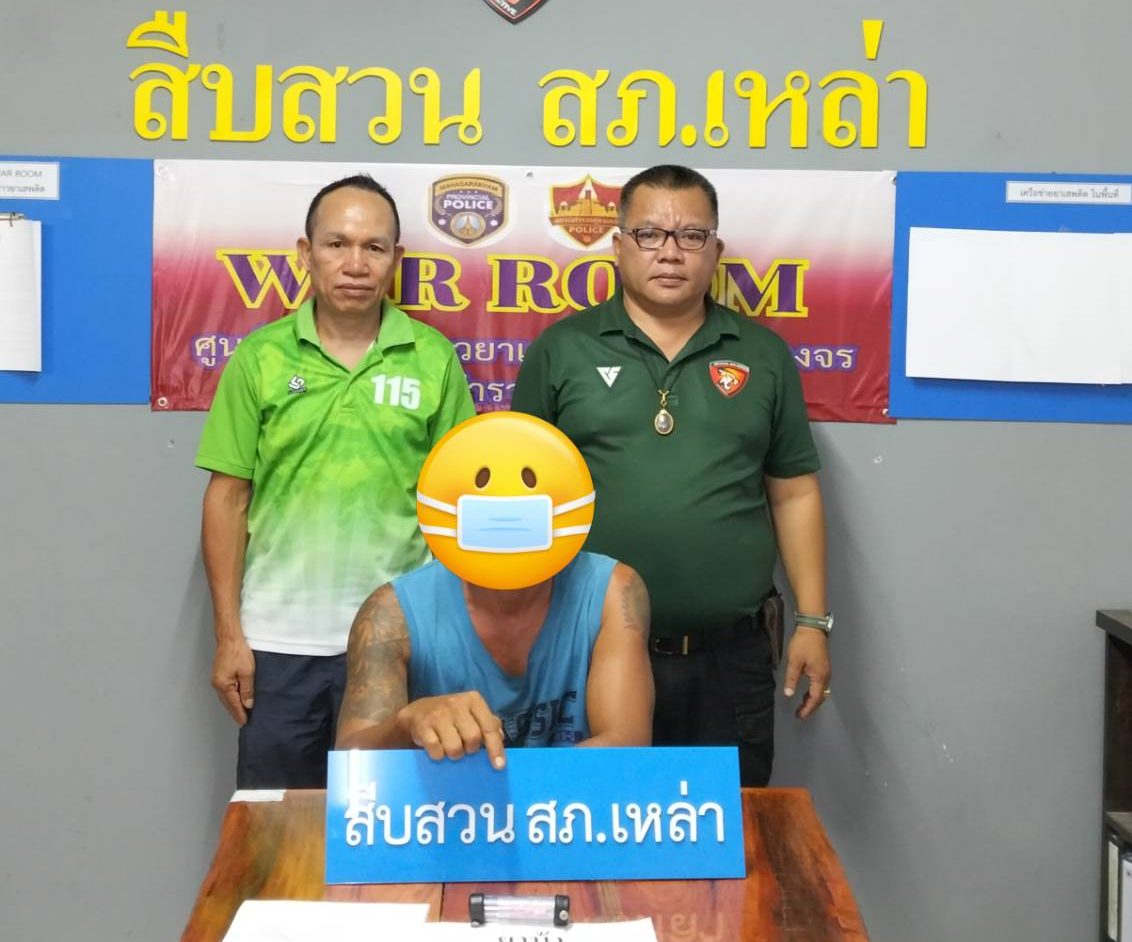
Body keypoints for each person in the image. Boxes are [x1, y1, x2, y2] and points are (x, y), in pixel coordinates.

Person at [511, 164, 831, 787]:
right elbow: (522, 496)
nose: (670, 252)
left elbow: (794, 492)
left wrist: (814, 622)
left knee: (721, 828)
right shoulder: (562, 350)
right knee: (593, 823)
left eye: (691, 235)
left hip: (728, 658)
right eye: (649, 234)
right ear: (618, 245)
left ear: (715, 249)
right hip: (589, 648)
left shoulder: (762, 355)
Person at [196, 174, 475, 788]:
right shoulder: (261, 358)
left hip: (397, 640)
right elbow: (227, 498)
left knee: (389, 822)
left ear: (395, 260)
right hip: (277, 644)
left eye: (374, 247)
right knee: (275, 827)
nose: (355, 264)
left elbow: (459, 504)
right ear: (306, 253)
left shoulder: (433, 358)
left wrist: (450, 638)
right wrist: (229, 636)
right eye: (336, 244)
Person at [335, 552, 654, 766]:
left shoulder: (613, 589)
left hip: (572, 821)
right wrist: (406, 725)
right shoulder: (390, 612)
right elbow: (352, 766)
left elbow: (626, 749)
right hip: (442, 823)